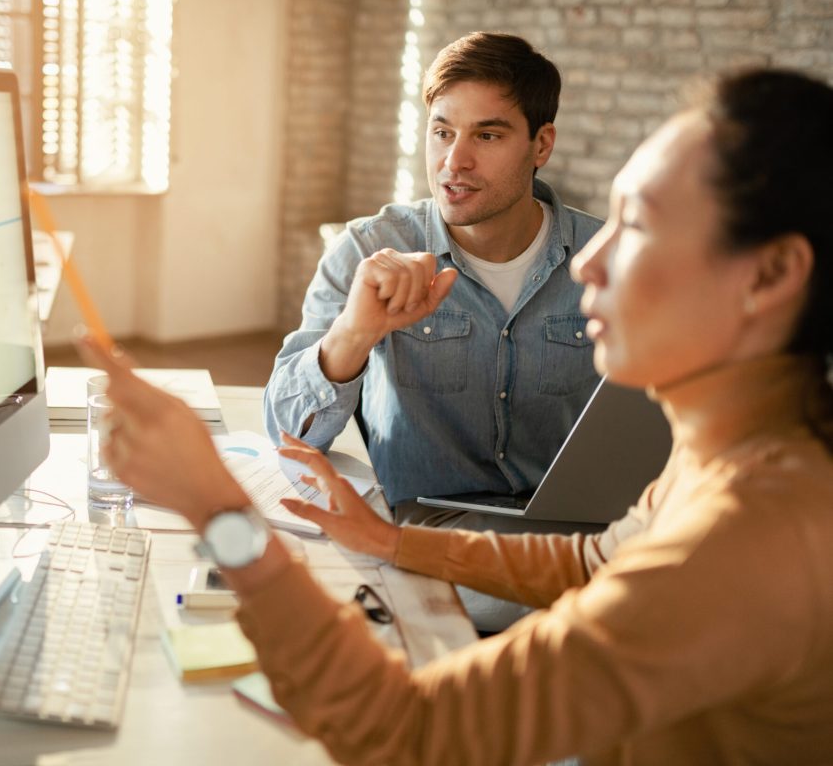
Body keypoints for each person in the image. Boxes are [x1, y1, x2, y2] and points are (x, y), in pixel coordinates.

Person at [79, 67, 833, 763]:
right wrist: (387, 539)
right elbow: (592, 562)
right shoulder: (742, 456)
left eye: (635, 226)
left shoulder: (746, 537)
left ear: (769, 276)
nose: (586, 263)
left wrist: (219, 511)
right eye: (442, 130)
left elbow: (407, 730)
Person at [263, 32, 603, 528]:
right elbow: (289, 435)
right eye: (442, 132)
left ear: (541, 145)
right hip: (431, 527)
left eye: (487, 136)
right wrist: (354, 333)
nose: (454, 161)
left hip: (582, 528)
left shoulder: (608, 258)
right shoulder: (366, 249)